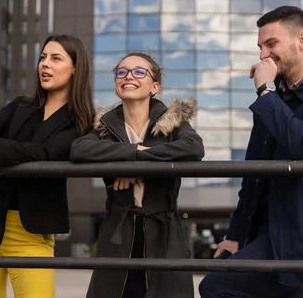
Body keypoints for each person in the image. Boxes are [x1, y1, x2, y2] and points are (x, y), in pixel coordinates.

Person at [199, 6, 303, 298]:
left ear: (302, 39)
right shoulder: (274, 97)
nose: (263, 54)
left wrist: (265, 92)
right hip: (267, 228)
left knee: (216, 285)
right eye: (260, 46)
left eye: (271, 44)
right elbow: (253, 174)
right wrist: (235, 235)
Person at [0, 34, 95, 298]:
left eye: (56, 58)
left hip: (32, 231)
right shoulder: (21, 105)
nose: (45, 65)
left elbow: (46, 152)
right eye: (42, 58)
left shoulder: (82, 121)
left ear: (75, 68)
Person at [70, 52, 205, 298]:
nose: (128, 76)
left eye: (139, 71)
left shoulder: (173, 122)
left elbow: (193, 148)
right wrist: (132, 152)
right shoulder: (105, 126)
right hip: (118, 233)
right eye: (121, 72)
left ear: (155, 86)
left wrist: (135, 165)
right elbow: (79, 149)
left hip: (164, 232)